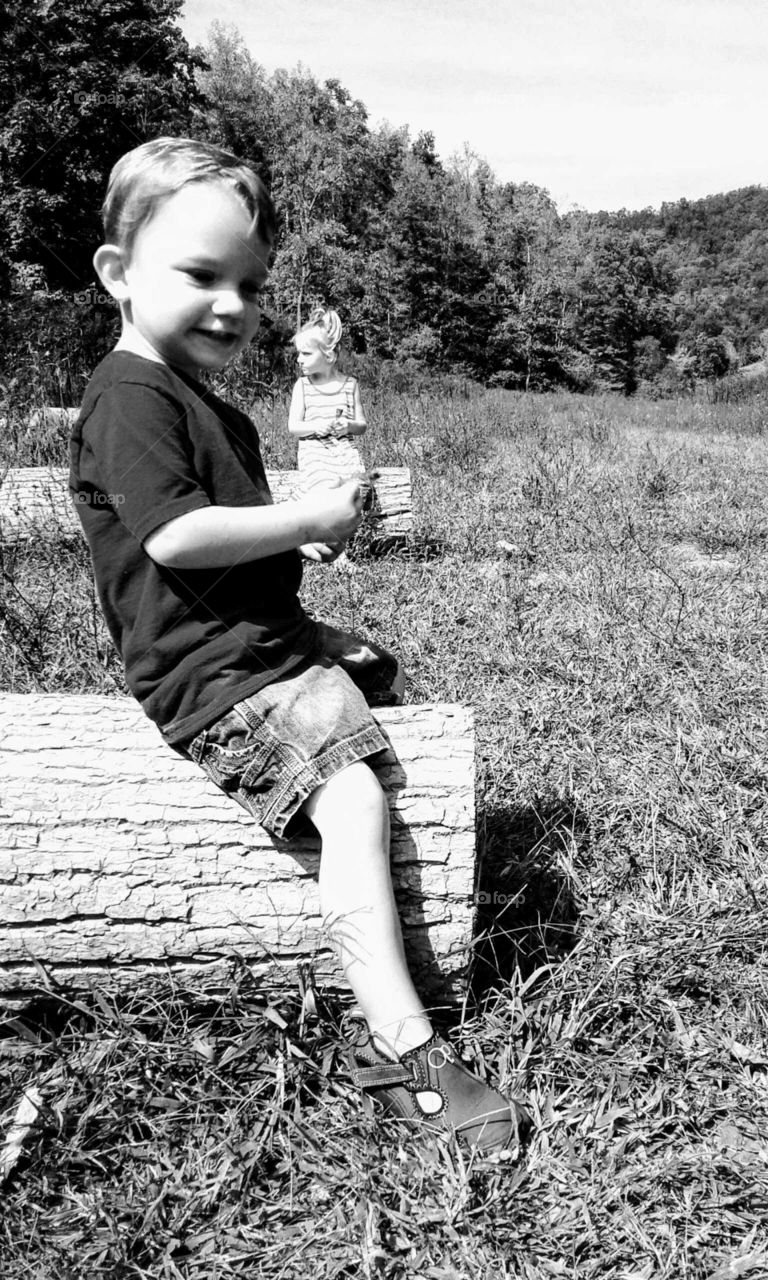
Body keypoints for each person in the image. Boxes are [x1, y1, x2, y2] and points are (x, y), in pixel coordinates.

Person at [68, 137, 527, 1157]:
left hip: (254, 634)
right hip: (213, 670)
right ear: (117, 273)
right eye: (200, 275)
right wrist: (303, 513)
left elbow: (221, 522)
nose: (232, 303)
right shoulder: (130, 392)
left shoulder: (190, 391)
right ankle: (402, 1048)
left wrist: (299, 527)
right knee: (353, 790)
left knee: (373, 668)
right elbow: (176, 536)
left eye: (248, 282)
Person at [289, 307, 370, 569]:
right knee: (325, 483)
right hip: (314, 449)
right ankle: (335, 552)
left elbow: (362, 425)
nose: (299, 360)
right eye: (298, 353)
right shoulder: (303, 386)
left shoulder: (350, 384)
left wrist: (347, 425)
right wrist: (318, 426)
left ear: (329, 355)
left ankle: (335, 540)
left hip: (342, 448)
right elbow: (294, 427)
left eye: (305, 353)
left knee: (353, 486)